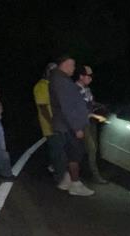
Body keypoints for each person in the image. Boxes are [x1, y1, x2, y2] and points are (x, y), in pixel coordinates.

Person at [49, 55, 94, 196]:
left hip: (65, 124)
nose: (74, 69)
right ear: (65, 65)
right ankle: (75, 184)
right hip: (68, 126)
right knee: (75, 154)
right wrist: (77, 128)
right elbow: (67, 107)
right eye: (72, 65)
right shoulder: (61, 81)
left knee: (72, 153)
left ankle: (66, 181)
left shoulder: (60, 79)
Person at [73, 64, 108, 184]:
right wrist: (96, 116)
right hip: (82, 123)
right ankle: (95, 175)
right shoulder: (74, 90)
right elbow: (79, 110)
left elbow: (91, 102)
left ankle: (83, 170)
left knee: (91, 148)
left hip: (91, 122)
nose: (91, 78)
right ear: (81, 76)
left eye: (92, 76)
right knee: (91, 149)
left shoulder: (87, 89)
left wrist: (100, 105)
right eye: (89, 76)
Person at [34, 62, 60, 173]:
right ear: (47, 72)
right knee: (55, 147)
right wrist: (52, 123)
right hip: (49, 123)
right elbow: (43, 107)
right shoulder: (41, 86)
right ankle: (54, 169)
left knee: (60, 147)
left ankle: (57, 167)